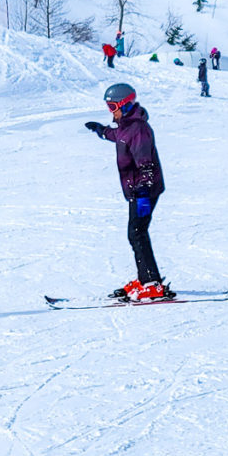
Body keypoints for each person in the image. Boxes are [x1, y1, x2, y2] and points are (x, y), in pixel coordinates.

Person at [85, 82, 170, 302]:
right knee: (136, 233)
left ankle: (152, 284)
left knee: (137, 232)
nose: (110, 110)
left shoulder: (138, 129)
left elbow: (147, 164)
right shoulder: (126, 126)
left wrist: (143, 192)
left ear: (125, 104)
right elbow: (117, 136)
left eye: (112, 105)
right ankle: (146, 280)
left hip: (144, 191)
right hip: (137, 190)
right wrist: (101, 131)